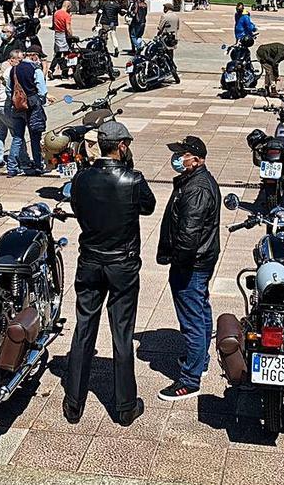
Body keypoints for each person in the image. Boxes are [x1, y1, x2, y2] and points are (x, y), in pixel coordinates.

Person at [64, 120, 156, 426]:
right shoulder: (132, 179)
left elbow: (77, 208)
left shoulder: (81, 179)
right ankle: (125, 406)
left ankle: (73, 403)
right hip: (122, 264)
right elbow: (149, 206)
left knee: (84, 328)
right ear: (122, 146)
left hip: (89, 260)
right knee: (122, 333)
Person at [156, 135, 220, 400]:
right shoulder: (193, 181)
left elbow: (189, 233)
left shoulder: (197, 188)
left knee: (192, 319)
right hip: (199, 260)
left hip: (192, 263)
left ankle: (190, 380)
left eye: (182, 154)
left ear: (196, 159)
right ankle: (199, 360)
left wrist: (178, 264)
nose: (177, 159)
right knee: (201, 309)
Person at [6, 45, 49, 176]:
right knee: (35, 137)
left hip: (18, 106)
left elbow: (9, 89)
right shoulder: (35, 69)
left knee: (17, 137)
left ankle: (12, 167)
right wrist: (40, 101)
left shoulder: (13, 70)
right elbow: (42, 90)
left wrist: (16, 101)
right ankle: (37, 165)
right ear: (34, 56)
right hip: (33, 106)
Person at [0, 49, 29, 171]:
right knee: (17, 133)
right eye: (20, 60)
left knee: (0, 133)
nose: (21, 63)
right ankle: (23, 160)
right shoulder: (9, 70)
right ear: (12, 59)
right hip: (2, 106)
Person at [48, 1, 74, 80]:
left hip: (57, 34)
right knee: (67, 54)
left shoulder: (56, 13)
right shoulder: (66, 15)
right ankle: (64, 72)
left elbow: (53, 25)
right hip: (64, 35)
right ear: (68, 7)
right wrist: (71, 36)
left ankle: (51, 69)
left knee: (58, 53)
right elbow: (68, 28)